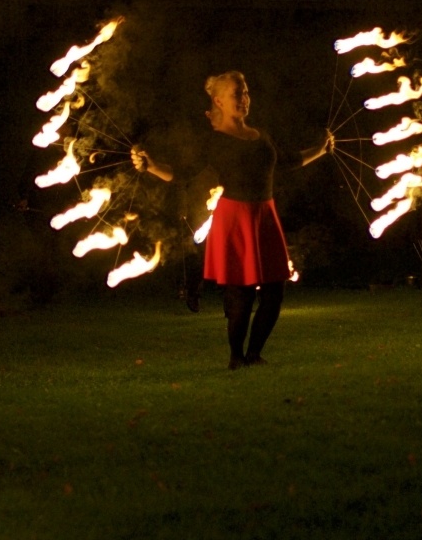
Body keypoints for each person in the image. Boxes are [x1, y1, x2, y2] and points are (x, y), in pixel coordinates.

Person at [133, 72, 332, 369]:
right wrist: (149, 166)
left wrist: (321, 149)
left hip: (265, 215)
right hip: (235, 218)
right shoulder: (214, 141)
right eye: (237, 94)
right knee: (241, 294)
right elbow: (182, 173)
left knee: (274, 293)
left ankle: (254, 354)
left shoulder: (261, 136)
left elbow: (288, 161)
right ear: (219, 101)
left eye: (246, 92)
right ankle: (236, 357)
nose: (244, 99)